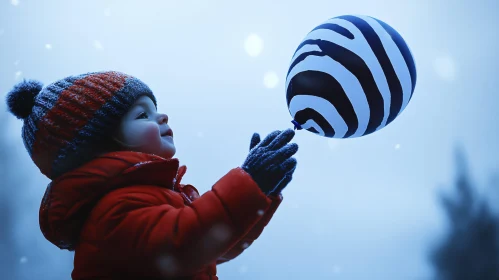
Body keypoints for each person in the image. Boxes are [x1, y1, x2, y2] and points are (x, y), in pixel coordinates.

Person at [5, 71, 298, 279]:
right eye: (142, 115)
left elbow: (213, 249)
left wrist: (261, 194)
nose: (162, 117)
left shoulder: (155, 195)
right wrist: (248, 183)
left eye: (155, 109)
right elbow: (184, 244)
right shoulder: (113, 211)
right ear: (103, 144)